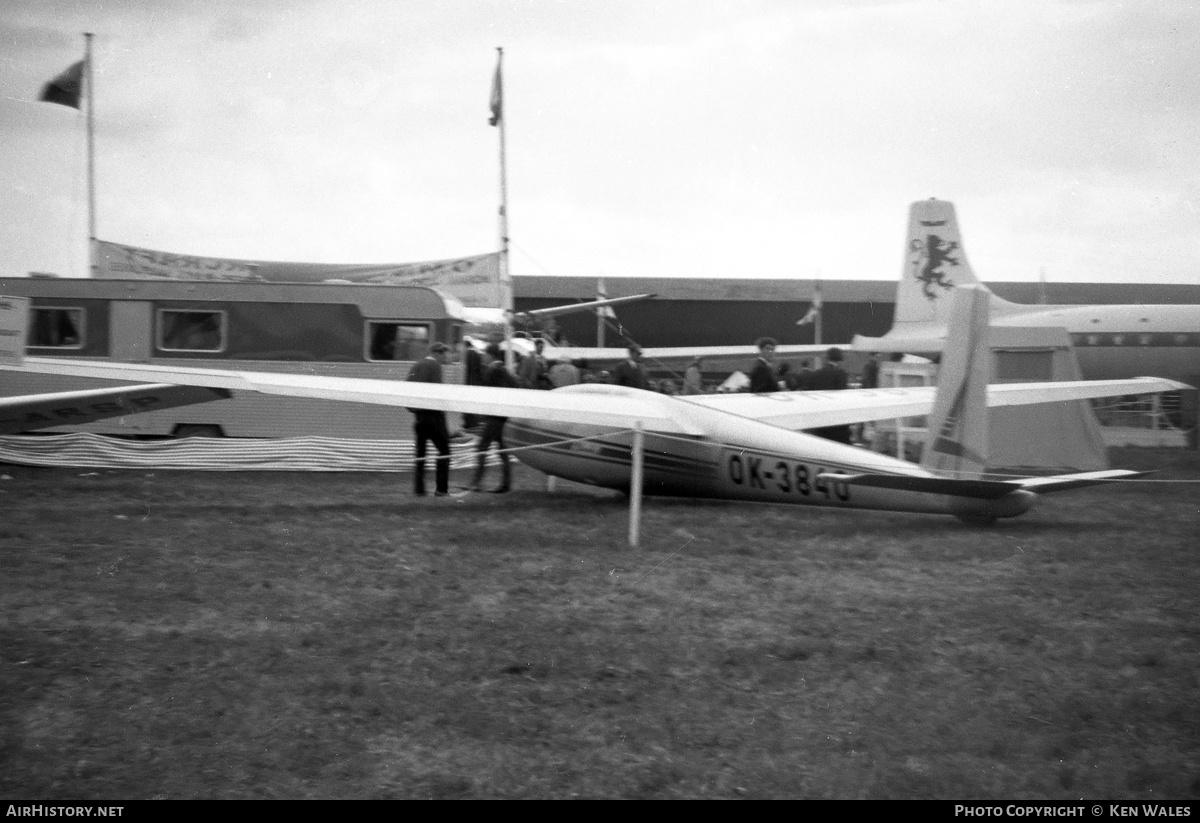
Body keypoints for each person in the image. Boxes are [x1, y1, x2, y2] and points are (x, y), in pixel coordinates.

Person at [469, 343, 519, 493]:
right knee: (502, 451)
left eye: (485, 354)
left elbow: (494, 394)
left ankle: (476, 484)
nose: (483, 357)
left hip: (495, 417)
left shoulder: (495, 370)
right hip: (501, 417)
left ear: (491, 355)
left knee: (482, 447)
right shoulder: (503, 370)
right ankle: (505, 484)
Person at [406, 342, 453, 496]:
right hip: (433, 417)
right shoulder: (435, 367)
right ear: (438, 353)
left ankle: (419, 490)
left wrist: (413, 409)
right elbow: (438, 393)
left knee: (420, 454)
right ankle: (441, 489)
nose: (446, 358)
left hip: (419, 417)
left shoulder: (417, 365)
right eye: (445, 354)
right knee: (444, 451)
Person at [807, 347, 852, 443]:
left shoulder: (816, 374)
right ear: (840, 359)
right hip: (836, 421)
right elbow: (843, 397)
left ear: (827, 358)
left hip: (820, 421)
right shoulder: (841, 374)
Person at [461, 341, 484, 431]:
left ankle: (469, 424)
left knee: (467, 404)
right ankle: (473, 423)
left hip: (468, 381)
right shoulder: (476, 353)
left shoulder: (466, 353)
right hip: (475, 382)